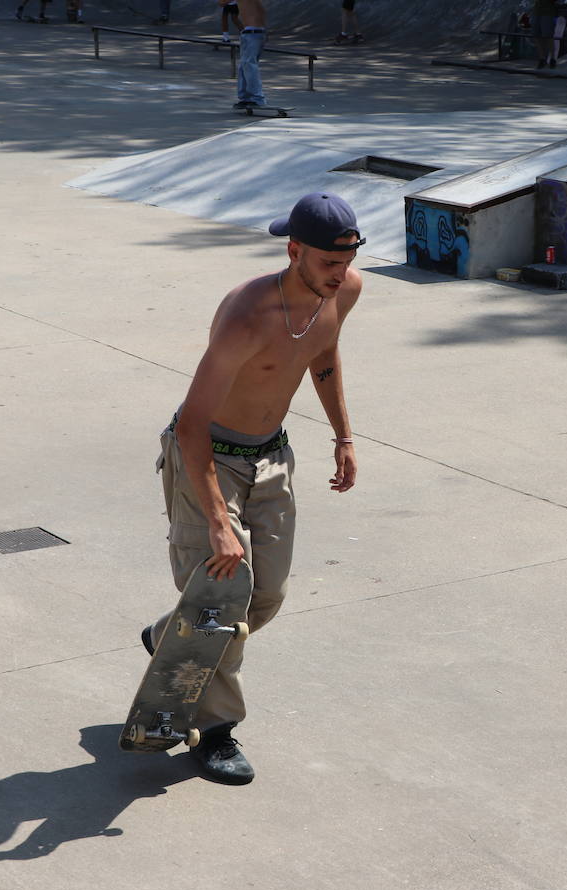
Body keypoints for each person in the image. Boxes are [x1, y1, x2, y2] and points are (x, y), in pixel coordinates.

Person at [144, 192, 365, 784]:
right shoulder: (247, 314)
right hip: (207, 456)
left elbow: (325, 355)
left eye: (347, 259)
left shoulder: (345, 291)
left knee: (266, 595)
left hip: (271, 457)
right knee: (221, 602)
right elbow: (192, 423)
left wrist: (344, 435)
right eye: (327, 262)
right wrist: (216, 518)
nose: (339, 273)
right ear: (294, 251)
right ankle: (215, 732)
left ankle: (169, 635)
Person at [231, 0, 268, 110]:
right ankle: (245, 97)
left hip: (252, 33)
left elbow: (222, 2)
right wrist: (265, 30)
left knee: (249, 65)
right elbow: (262, 10)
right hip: (255, 32)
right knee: (244, 65)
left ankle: (257, 98)